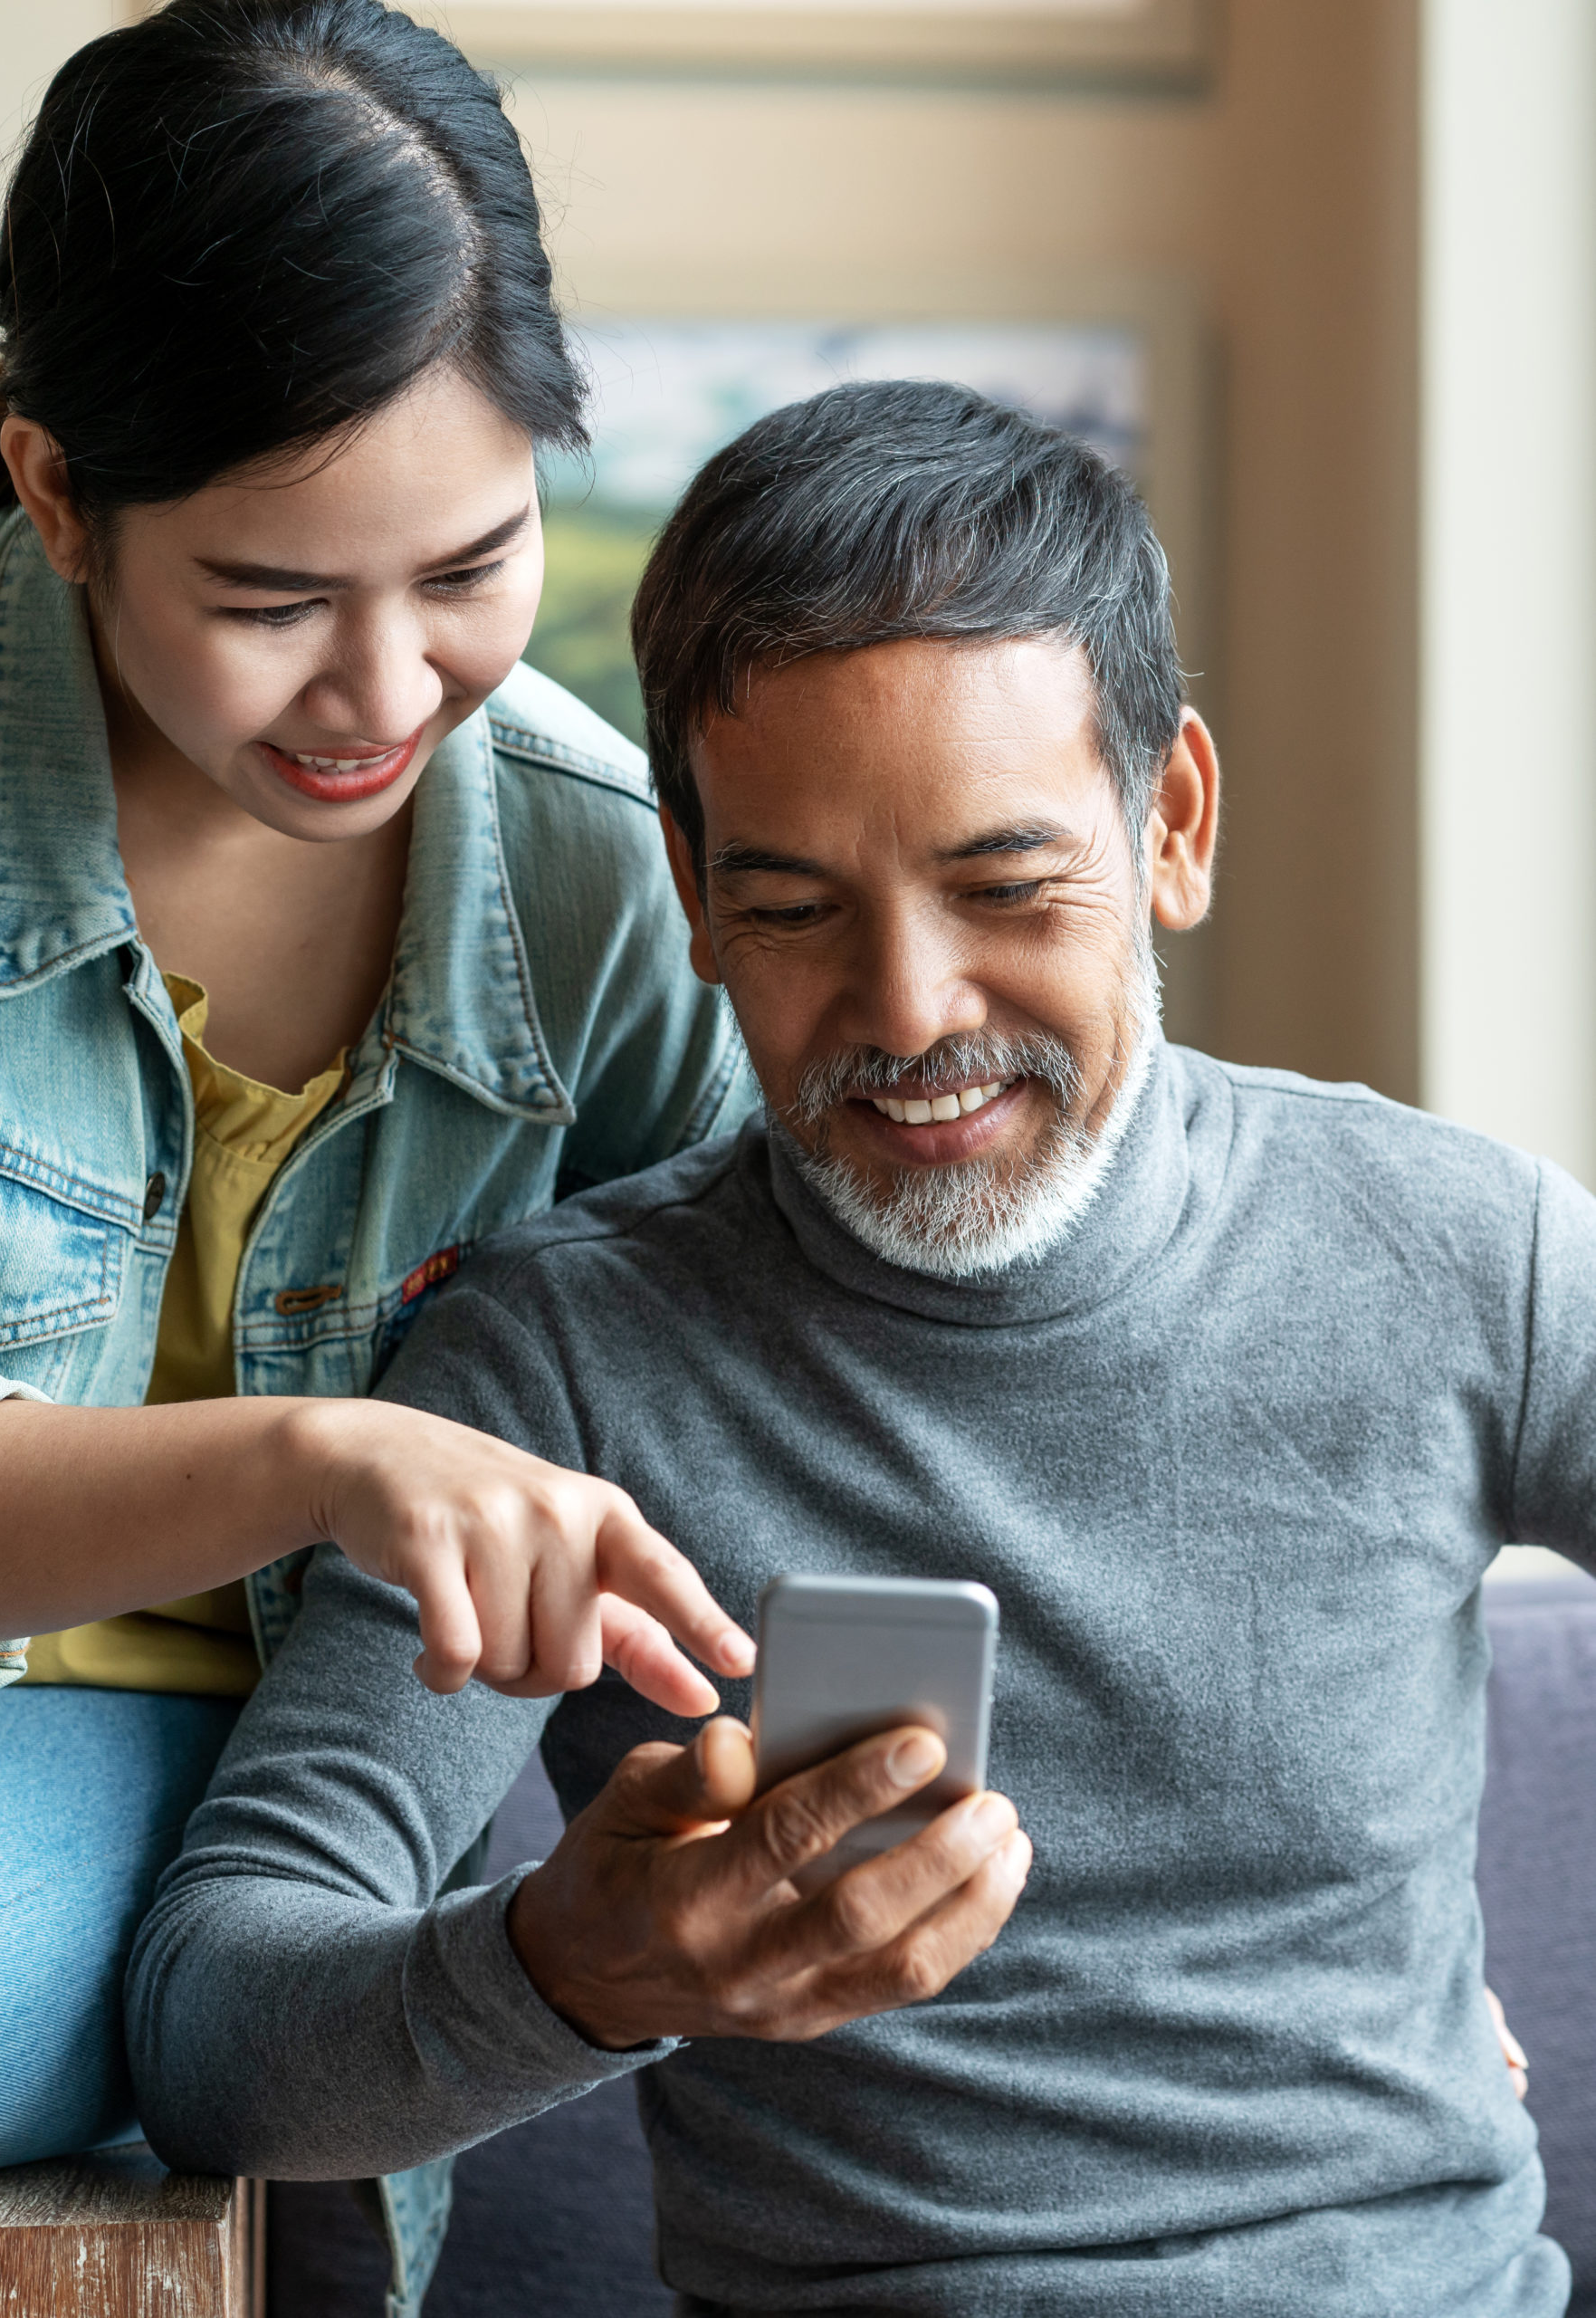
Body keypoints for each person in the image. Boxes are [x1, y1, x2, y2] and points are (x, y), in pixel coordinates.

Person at [126, 379, 1582, 2317]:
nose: (904, 1011)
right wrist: (575, 1967)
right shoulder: (563, 1364)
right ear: (692, 899)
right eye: (792, 906)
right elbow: (211, 2022)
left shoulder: (1459, 1250)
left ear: (1168, 822)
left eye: (1000, 885)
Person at [0, 3, 758, 2307]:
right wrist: (325, 1457)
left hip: (224, 1796)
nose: (390, 691)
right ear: (52, 493)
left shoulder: (595, 870)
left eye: (472, 567)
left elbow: (808, 1410)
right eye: (271, 597)